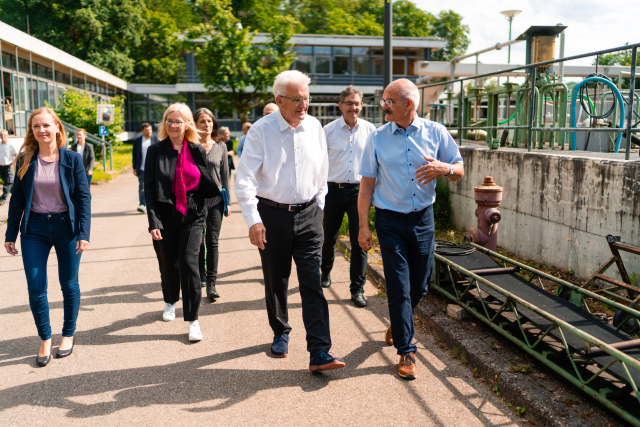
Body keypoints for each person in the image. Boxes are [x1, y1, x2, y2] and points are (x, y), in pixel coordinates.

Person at [235, 70, 346, 372]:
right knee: (277, 279)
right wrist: (253, 220)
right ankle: (280, 331)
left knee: (312, 282)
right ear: (279, 100)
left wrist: (319, 207)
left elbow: (322, 170)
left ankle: (320, 350)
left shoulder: (315, 127)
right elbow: (244, 179)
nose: (303, 105)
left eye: (306, 99)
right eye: (297, 100)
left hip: (310, 214)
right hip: (272, 215)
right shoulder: (261, 131)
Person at [358, 79, 464, 380]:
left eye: (389, 101)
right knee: (399, 286)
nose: (384, 106)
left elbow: (459, 168)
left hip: (423, 220)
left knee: (420, 285)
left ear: (409, 104)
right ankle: (406, 351)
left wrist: (446, 169)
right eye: (383, 100)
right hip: (389, 221)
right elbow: (366, 185)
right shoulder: (377, 138)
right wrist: (363, 227)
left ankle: (398, 320)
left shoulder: (436, 133)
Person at [4, 107, 91, 367]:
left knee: (68, 284)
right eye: (35, 127)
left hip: (67, 227)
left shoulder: (72, 159)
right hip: (35, 230)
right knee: (35, 286)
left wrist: (84, 232)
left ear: (57, 128)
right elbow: (17, 200)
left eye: (46, 125)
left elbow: (83, 198)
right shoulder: (24, 160)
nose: (41, 130)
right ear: (32, 131)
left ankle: (67, 334)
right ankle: (45, 337)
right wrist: (10, 234)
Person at [145, 103, 220, 342]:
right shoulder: (155, 151)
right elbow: (148, 189)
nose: (173, 125)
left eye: (178, 121)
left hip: (193, 214)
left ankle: (193, 319)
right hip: (165, 215)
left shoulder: (196, 150)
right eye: (169, 120)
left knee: (189, 264)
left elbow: (204, 180)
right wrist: (153, 221)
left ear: (187, 124)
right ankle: (170, 300)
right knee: (169, 263)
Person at [320, 86, 375, 308]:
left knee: (360, 240)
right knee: (328, 237)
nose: (354, 107)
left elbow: (377, 164)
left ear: (362, 106)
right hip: (332, 190)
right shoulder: (328, 131)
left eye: (357, 103)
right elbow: (319, 163)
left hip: (359, 192)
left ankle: (357, 289)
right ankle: (325, 272)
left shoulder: (371, 131)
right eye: (349, 103)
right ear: (341, 105)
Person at [193, 108, 229, 301]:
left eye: (209, 121)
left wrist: (227, 202)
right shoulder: (188, 145)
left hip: (215, 201)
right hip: (195, 202)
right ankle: (200, 275)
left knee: (212, 241)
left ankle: (212, 284)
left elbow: (225, 177)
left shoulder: (221, 146)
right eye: (202, 121)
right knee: (198, 242)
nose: (206, 124)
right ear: (195, 124)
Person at [132, 123, 159, 213]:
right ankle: (142, 204)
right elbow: (135, 154)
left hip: (154, 169)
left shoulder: (156, 139)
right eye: (147, 130)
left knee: (156, 186)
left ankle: (154, 204)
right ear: (142, 131)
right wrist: (135, 167)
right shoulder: (137, 141)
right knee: (142, 187)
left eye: (150, 130)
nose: (149, 132)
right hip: (142, 168)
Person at [0, 129, 17, 205]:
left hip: (9, 167)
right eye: (1, 135)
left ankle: (2, 199)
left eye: (4, 135)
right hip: (1, 166)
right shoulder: (0, 145)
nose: (2, 136)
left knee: (7, 183)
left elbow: (17, 155)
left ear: (7, 136)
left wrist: (13, 164)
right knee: (9, 184)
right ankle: (17, 196)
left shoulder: (11, 145)